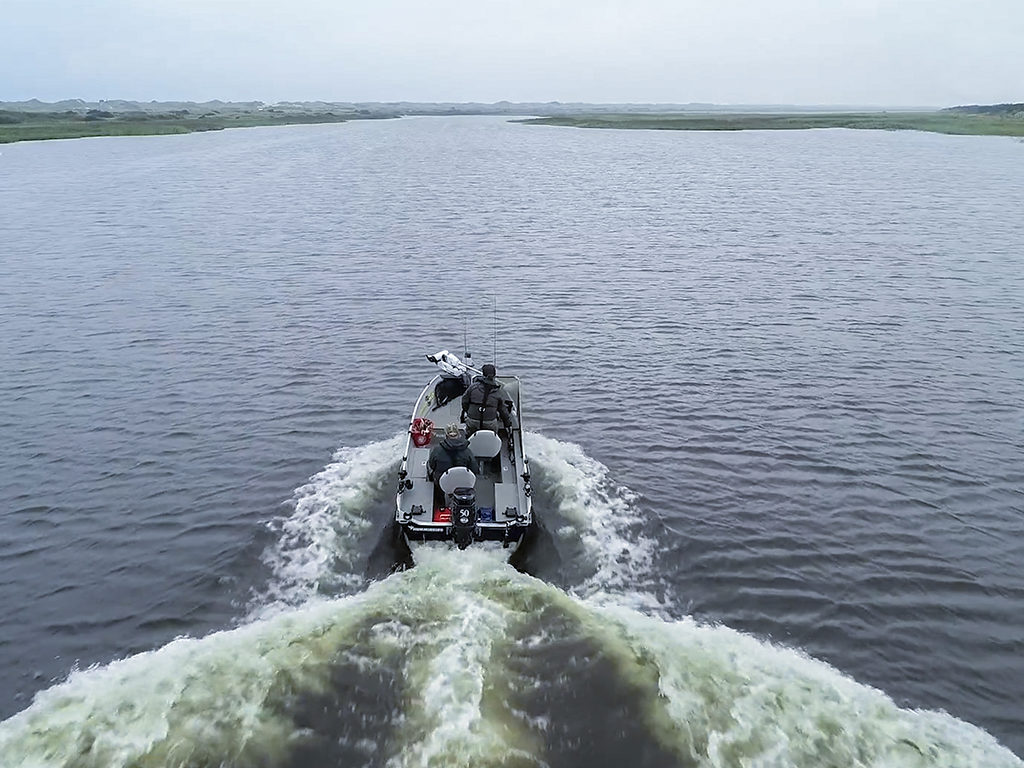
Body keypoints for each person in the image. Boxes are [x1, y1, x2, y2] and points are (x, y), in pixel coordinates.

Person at [461, 364, 515, 436]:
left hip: (472, 420)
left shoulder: (473, 387)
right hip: (489, 422)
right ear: (494, 376)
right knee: (493, 429)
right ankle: (492, 439)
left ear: (483, 374)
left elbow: (464, 401)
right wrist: (507, 424)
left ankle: (468, 438)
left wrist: (469, 411)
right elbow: (503, 410)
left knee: (470, 430)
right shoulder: (497, 391)